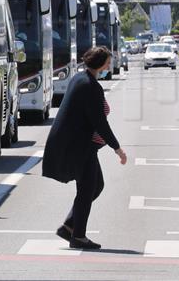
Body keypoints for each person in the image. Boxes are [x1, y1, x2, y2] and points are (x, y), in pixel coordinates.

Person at [42, 46, 127, 250]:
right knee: (88, 188)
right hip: (79, 147)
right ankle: (78, 236)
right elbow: (99, 122)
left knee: (95, 186)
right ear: (100, 63)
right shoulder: (90, 85)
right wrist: (117, 148)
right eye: (107, 62)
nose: (109, 65)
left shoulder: (81, 79)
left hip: (83, 147)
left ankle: (70, 227)